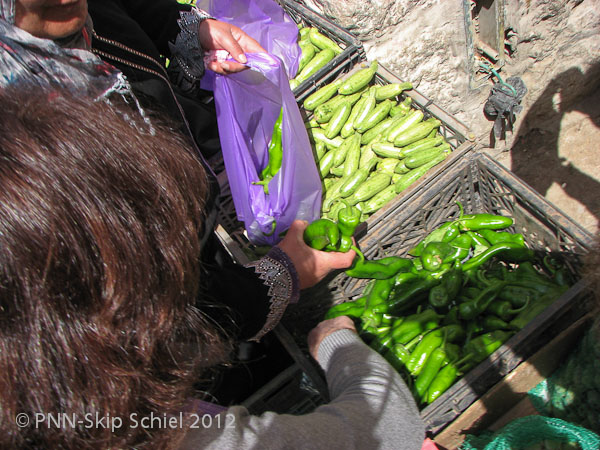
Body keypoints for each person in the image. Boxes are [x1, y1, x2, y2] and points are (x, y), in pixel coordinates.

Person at [0, 87, 426, 449]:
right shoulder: (141, 432)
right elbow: (387, 432)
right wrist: (337, 344)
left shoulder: (43, 400)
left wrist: (279, 276)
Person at [0, 0, 343, 348]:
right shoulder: (27, 164)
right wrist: (277, 277)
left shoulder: (78, 14)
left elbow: (132, 10)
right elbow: (153, 320)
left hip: (187, 188)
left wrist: (193, 30)